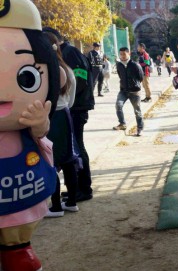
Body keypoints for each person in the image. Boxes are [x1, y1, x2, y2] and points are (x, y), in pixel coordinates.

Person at [0, 0, 61, 271]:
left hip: (18, 183)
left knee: (15, 223)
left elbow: (42, 140)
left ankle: (17, 248)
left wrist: (39, 125)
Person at [43, 27, 95, 203]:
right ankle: (76, 189)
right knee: (72, 151)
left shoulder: (70, 53)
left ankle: (84, 188)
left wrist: (68, 103)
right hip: (72, 108)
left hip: (76, 109)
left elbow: (80, 80)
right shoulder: (66, 53)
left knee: (76, 150)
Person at [43, 31, 81, 218]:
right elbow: (71, 99)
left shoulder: (44, 70)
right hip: (65, 115)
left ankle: (56, 205)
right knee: (68, 159)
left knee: (50, 161)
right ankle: (71, 202)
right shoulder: (67, 69)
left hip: (50, 117)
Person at [112, 47, 144, 137]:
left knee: (137, 111)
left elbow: (141, 77)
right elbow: (120, 76)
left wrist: (134, 84)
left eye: (124, 54)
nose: (122, 56)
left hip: (134, 91)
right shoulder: (119, 65)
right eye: (120, 54)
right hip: (123, 91)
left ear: (128, 53)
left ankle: (140, 128)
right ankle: (122, 124)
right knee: (118, 105)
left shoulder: (135, 65)